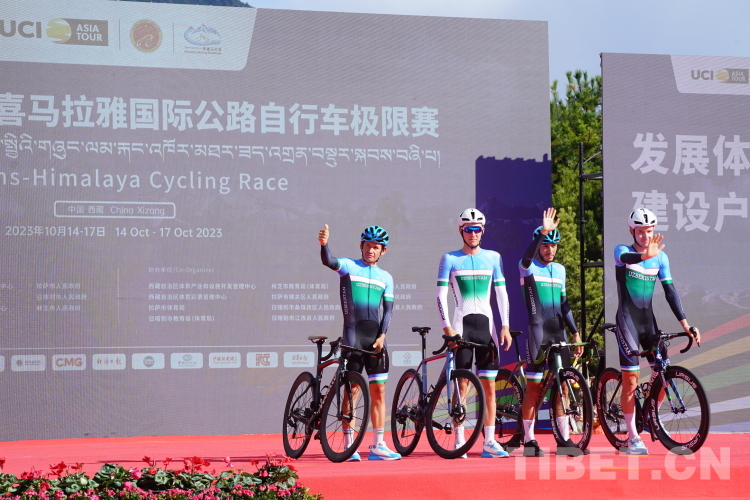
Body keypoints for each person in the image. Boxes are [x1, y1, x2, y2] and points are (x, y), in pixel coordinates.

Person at [614, 208, 700, 455]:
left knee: (663, 371)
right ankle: (633, 437)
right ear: (631, 231)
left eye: (649, 231)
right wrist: (644, 256)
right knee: (631, 379)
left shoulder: (660, 258)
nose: (645, 236)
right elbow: (627, 258)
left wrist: (686, 325)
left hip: (648, 323)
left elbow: (671, 292)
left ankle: (652, 415)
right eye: (640, 231)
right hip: (627, 322)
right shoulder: (622, 250)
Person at [318, 223, 401, 461]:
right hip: (353, 337)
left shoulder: (386, 277)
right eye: (367, 246)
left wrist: (383, 335)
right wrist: (324, 244)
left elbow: (388, 310)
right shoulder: (349, 266)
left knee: (379, 391)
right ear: (361, 246)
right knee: (352, 391)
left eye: (376, 247)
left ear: (383, 251)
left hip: (375, 340)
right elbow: (329, 261)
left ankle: (378, 445)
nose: (371, 250)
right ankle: (349, 445)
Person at [436, 208, 512, 458]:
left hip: (487, 330)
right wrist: (447, 326)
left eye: (477, 229)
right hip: (462, 328)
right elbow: (440, 296)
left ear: (483, 231)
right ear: (461, 231)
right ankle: (460, 439)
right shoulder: (450, 258)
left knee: (489, 385)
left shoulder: (493, 257)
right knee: (462, 384)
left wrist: (505, 325)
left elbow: (501, 294)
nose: (473, 233)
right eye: (468, 229)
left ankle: (489, 441)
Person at [513, 208, 586, 457]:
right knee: (534, 388)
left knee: (563, 387)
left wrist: (575, 333)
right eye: (545, 245)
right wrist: (542, 233)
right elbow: (526, 257)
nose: (550, 249)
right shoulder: (527, 267)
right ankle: (529, 441)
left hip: (558, 333)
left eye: (553, 245)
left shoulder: (560, 270)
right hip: (538, 332)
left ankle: (564, 440)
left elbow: (564, 305)